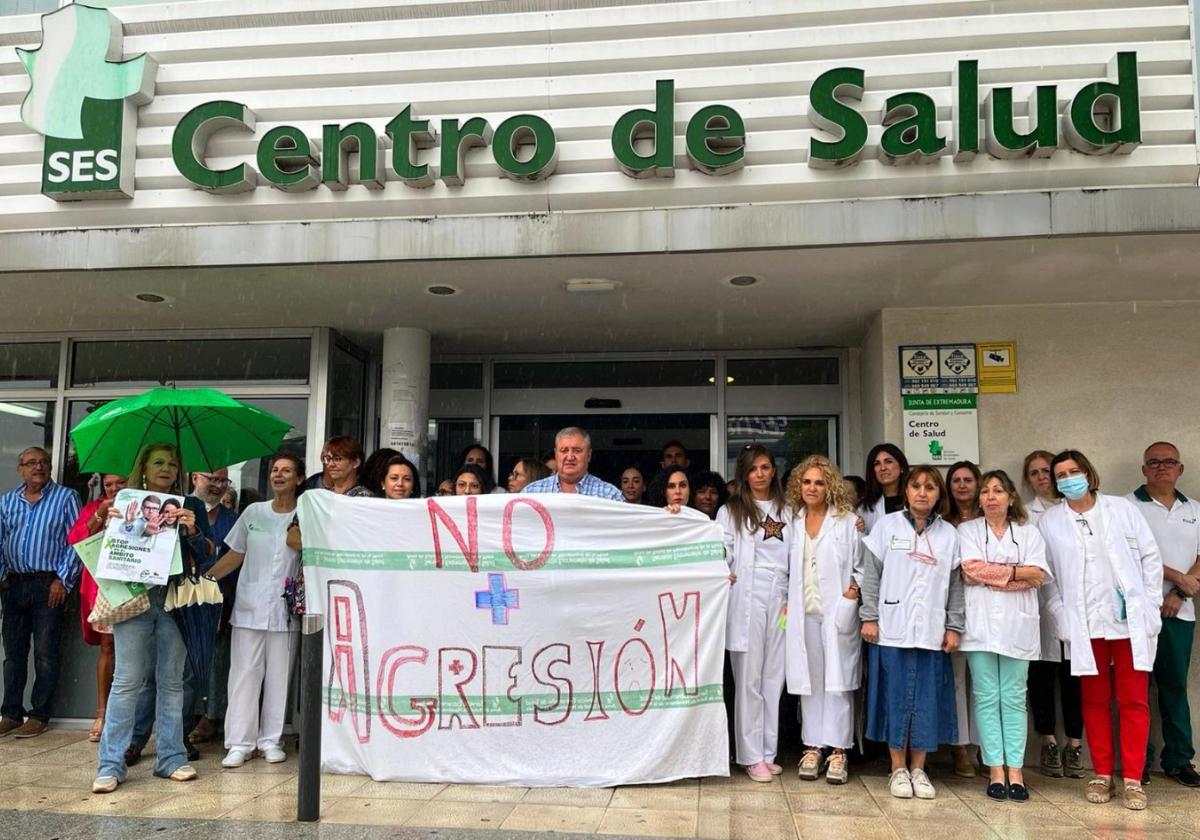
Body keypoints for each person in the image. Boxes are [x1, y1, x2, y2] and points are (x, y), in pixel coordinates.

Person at [1039, 449, 1162, 810]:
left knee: (1133, 700)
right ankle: (1102, 773)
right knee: (1093, 700)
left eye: (1073, 471)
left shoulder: (1122, 509)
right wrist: (1060, 614)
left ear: (1088, 473)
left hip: (1127, 623)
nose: (1068, 479)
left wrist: (1150, 605)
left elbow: (1150, 559)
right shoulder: (1050, 522)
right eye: (1061, 475)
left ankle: (1134, 779)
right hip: (1085, 624)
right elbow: (1047, 578)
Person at [93, 442, 213, 793]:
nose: (166, 469)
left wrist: (192, 529)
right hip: (135, 597)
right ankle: (110, 765)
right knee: (127, 681)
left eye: (173, 464)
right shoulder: (124, 503)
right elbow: (96, 548)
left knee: (171, 681)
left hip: (174, 599)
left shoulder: (189, 505)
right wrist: (105, 519)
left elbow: (207, 554)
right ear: (144, 469)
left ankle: (172, 758)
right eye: (158, 462)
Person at [860, 465, 963, 801]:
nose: (922, 492)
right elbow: (871, 576)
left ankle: (919, 768)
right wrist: (870, 617)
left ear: (938, 494)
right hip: (891, 627)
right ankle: (897, 768)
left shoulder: (948, 534)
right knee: (894, 698)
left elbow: (956, 586)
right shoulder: (886, 527)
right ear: (905, 491)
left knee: (927, 700)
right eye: (916, 486)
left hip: (932, 630)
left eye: (930, 487)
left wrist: (953, 625)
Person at [958, 470, 1052, 802]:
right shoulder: (967, 531)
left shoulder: (1028, 534)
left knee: (1013, 697)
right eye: (985, 491)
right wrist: (1016, 572)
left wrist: (992, 574)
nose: (990, 496)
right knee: (986, 696)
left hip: (1018, 627)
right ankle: (995, 768)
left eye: (998, 490)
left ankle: (1016, 770)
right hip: (979, 627)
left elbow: (1038, 576)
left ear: (1011, 497)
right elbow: (970, 569)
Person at [205, 452, 304, 768]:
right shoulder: (252, 512)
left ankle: (270, 740)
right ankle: (239, 742)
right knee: (244, 675)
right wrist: (205, 579)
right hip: (249, 607)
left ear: (299, 479)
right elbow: (235, 555)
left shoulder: (306, 515)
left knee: (279, 676)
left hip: (286, 609)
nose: (278, 475)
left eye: (287, 471)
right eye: (275, 470)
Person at [784, 455, 862, 785]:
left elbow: (861, 567)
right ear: (798, 486)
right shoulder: (791, 521)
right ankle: (813, 746)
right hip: (804, 614)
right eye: (806, 482)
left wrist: (851, 595)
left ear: (829, 485)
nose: (812, 487)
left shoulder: (847, 521)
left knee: (838, 682)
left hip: (837, 614)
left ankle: (839, 750)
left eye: (818, 482)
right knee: (810, 681)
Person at [1128, 441, 1200, 787]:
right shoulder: (1126, 507)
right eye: (1153, 462)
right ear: (1143, 469)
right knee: (1136, 690)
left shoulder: (1195, 510)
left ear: (1180, 469)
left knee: (1174, 688)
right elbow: (1131, 556)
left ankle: (1179, 760)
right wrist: (1177, 579)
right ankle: (1136, 760)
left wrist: (1180, 591)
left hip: (1180, 613)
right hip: (1137, 613)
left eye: (1169, 462)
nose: (1161, 467)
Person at [719, 444, 791, 782]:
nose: (760, 474)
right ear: (743, 474)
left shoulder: (789, 509)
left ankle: (768, 750)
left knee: (774, 678)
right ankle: (749, 755)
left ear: (773, 470)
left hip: (781, 599)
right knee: (749, 679)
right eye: (753, 469)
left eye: (765, 467)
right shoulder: (731, 511)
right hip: (746, 598)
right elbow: (719, 552)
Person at [0, 447, 82, 740]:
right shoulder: (7, 502)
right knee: (13, 654)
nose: (39, 467)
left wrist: (63, 579)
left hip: (49, 584)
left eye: (44, 462)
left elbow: (76, 540)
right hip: (13, 584)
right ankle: (10, 713)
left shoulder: (66, 498)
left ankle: (38, 715)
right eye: (32, 463)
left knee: (46, 653)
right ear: (20, 468)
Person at [1022, 448, 1084, 778]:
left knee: (1076, 681)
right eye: (1033, 473)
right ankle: (1047, 742)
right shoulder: (1025, 514)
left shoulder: (1074, 510)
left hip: (1077, 606)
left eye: (1046, 471)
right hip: (1041, 609)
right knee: (1041, 681)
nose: (1041, 477)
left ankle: (1074, 745)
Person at [68, 472, 127, 742]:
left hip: (137, 588)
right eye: (108, 485)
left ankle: (132, 718)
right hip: (105, 588)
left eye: (121, 482)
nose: (114, 488)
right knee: (108, 648)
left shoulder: (144, 504)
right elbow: (76, 539)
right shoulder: (96, 507)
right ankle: (102, 713)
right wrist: (102, 513)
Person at [187, 468, 240, 748]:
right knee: (185, 661)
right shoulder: (178, 510)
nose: (218, 486)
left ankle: (211, 715)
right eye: (212, 479)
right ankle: (187, 716)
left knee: (217, 659)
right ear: (195, 478)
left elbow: (238, 561)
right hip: (182, 598)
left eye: (223, 481)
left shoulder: (233, 520)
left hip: (220, 596)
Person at [944, 459, 982, 778]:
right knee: (956, 679)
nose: (962, 485)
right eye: (956, 480)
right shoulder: (942, 521)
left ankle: (984, 748)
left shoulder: (991, 520)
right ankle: (958, 747)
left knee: (982, 682)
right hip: (952, 608)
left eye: (968, 479)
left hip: (986, 608)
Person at [522, 428, 622, 501]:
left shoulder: (610, 495)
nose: (570, 457)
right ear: (556, 454)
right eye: (564, 450)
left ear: (589, 455)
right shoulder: (531, 493)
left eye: (577, 451)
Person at [859, 444, 908, 532]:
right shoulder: (865, 508)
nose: (883, 468)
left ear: (901, 467)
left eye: (888, 462)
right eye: (877, 464)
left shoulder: (915, 500)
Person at [304, 436, 370, 496]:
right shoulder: (322, 497)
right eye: (328, 459)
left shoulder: (364, 499)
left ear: (356, 463)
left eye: (337, 459)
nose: (330, 464)